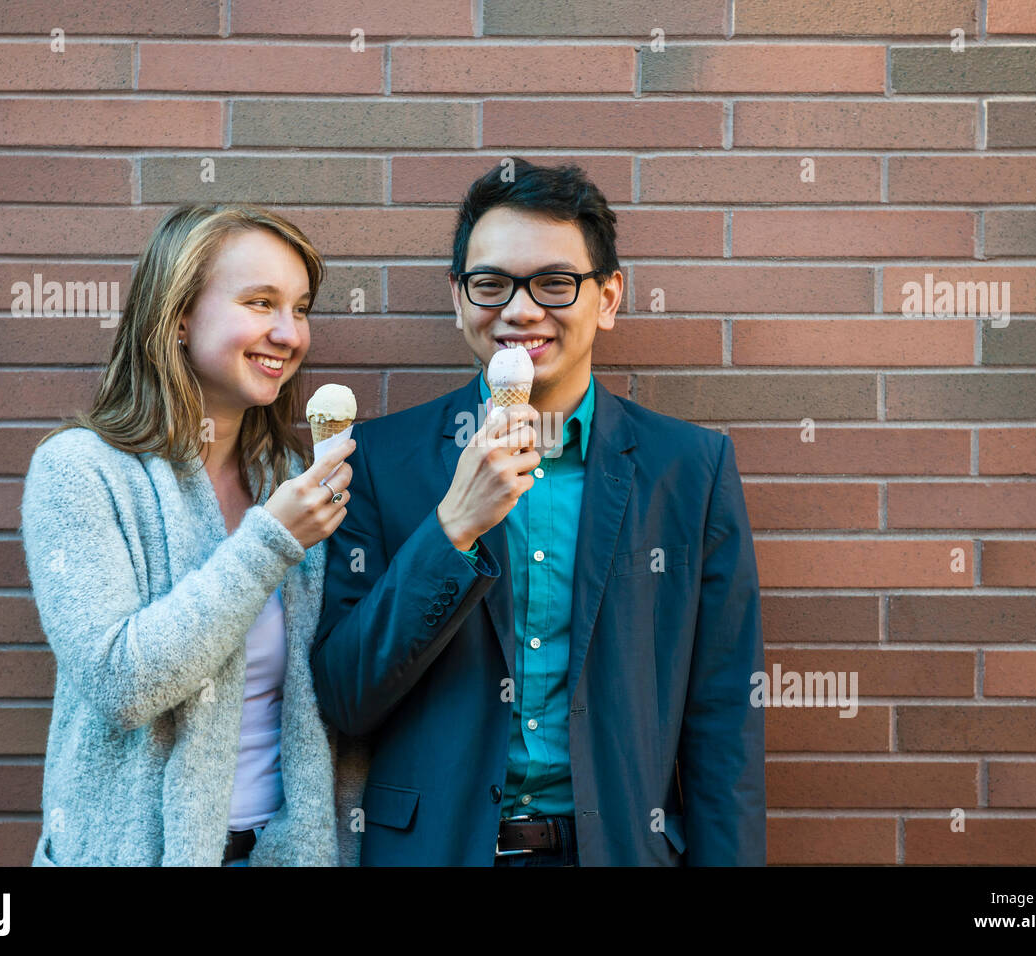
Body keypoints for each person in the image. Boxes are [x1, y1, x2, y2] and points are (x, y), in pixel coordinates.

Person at [311, 159, 765, 865]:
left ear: (608, 298)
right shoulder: (376, 459)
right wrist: (451, 529)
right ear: (458, 298)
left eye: (556, 283)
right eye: (491, 284)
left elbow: (724, 721)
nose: (520, 311)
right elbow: (344, 696)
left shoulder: (690, 470)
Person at [19, 203, 368, 866]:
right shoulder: (80, 470)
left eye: (300, 308)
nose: (288, 333)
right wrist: (269, 542)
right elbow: (121, 683)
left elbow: (328, 699)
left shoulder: (293, 478)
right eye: (260, 302)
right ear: (179, 316)